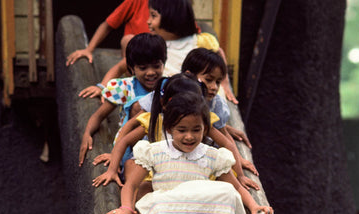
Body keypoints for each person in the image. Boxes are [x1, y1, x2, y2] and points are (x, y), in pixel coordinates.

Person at [104, 91, 273, 214]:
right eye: (182, 130)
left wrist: (254, 206)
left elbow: (235, 187)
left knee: (226, 191)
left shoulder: (212, 155)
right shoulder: (155, 152)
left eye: (196, 130)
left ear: (206, 129)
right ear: (169, 129)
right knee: (158, 201)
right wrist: (125, 207)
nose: (189, 136)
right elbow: (131, 185)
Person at [91, 72, 254, 190]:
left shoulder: (201, 122)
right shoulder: (154, 120)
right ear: (166, 104)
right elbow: (125, 139)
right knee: (136, 177)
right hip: (158, 173)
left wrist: (240, 176)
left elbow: (227, 143)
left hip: (193, 171)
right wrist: (113, 167)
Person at [78, 33, 166, 166]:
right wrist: (87, 134)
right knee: (138, 106)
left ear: (163, 64)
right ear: (131, 68)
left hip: (160, 145)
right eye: (143, 68)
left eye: (156, 66)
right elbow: (99, 115)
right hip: (130, 148)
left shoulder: (168, 87)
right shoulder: (125, 88)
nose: (150, 72)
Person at [147, 0, 237, 103]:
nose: (148, 21)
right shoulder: (154, 46)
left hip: (204, 100)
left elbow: (218, 52)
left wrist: (225, 82)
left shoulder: (199, 41)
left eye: (153, 16)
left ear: (170, 17)